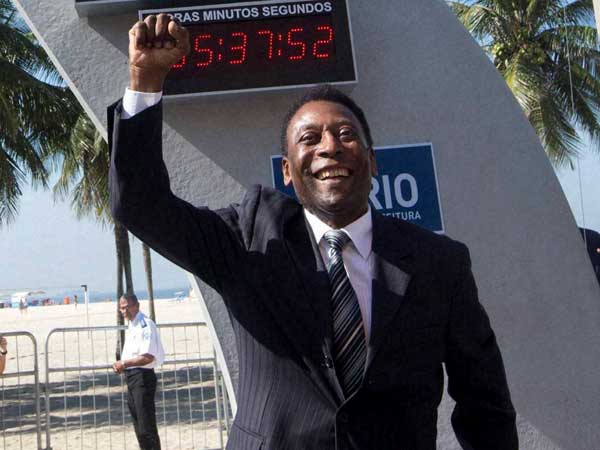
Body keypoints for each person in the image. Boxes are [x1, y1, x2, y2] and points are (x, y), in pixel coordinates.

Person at [109, 14, 518, 450]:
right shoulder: (246, 242)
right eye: (310, 138)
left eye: (345, 134)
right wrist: (145, 81)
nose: (330, 146)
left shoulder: (440, 264)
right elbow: (141, 206)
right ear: (287, 171)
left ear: (372, 162)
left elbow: (485, 404)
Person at [112, 294, 164, 450]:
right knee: (139, 427)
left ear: (136, 305)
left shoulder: (145, 325)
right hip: (132, 378)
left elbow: (148, 356)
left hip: (142, 377)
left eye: (126, 307)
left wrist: (124, 363)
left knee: (146, 426)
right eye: (121, 308)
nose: (123, 311)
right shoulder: (132, 325)